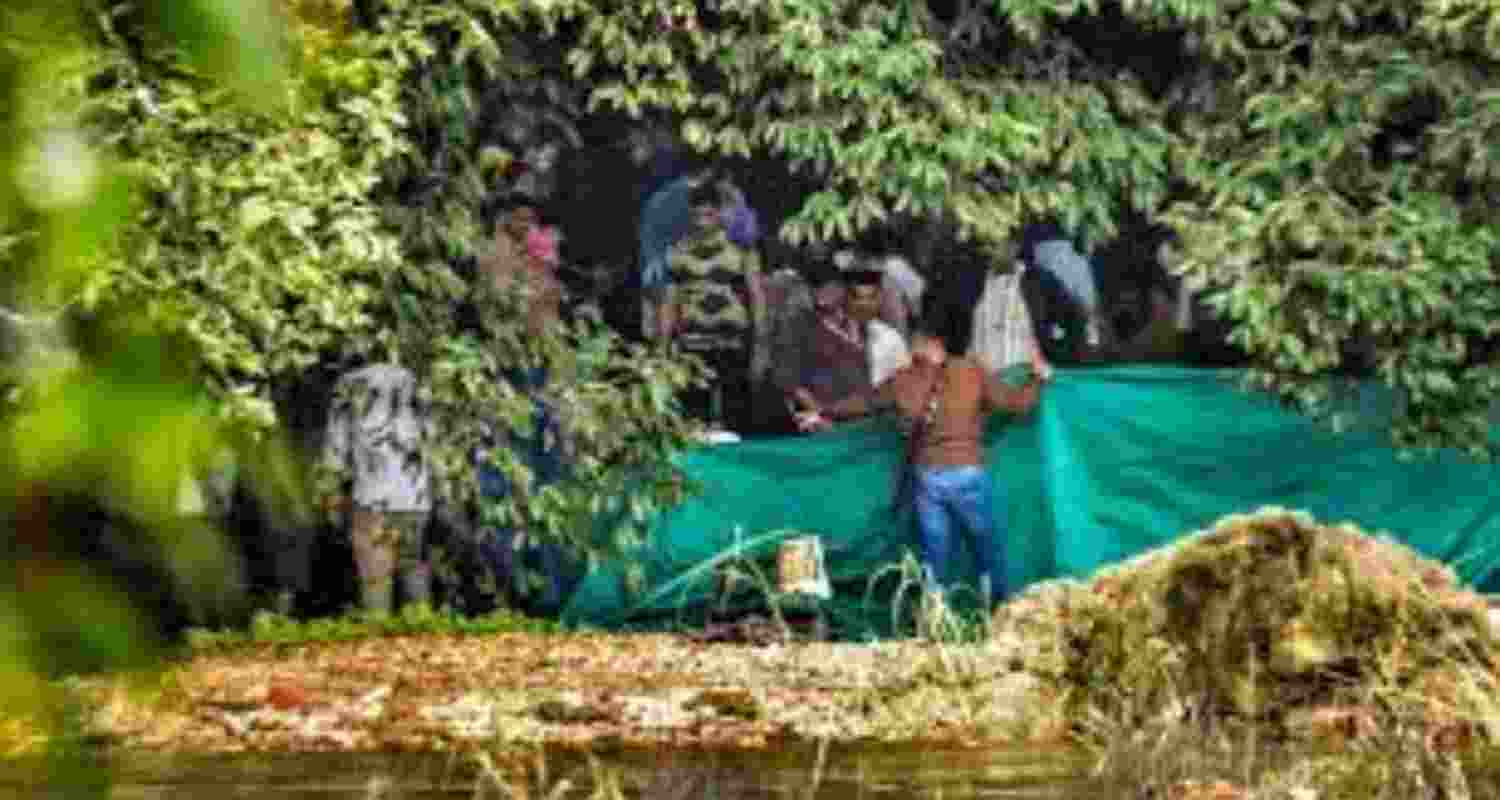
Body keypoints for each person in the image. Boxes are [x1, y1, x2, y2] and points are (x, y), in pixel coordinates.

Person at [814, 300, 1046, 609]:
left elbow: (864, 403)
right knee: (987, 552)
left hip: (928, 478)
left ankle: (935, 618)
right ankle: (999, 611)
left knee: (935, 557)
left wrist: (822, 412)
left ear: (925, 342)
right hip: (967, 472)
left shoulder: (902, 381)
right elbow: (1016, 404)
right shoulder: (970, 372)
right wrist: (1038, 378)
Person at [320, 362, 433, 614]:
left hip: (372, 498)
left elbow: (335, 452)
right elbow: (432, 436)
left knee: (375, 579)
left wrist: (332, 495)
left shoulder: (349, 384)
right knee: (413, 569)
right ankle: (426, 638)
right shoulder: (416, 379)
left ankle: (378, 641)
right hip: (415, 496)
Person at [659, 177, 765, 433]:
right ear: (691, 212)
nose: (703, 213)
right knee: (693, 417)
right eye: (698, 207)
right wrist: (662, 348)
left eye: (710, 208)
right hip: (692, 344)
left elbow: (757, 295)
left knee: (736, 415)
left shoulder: (742, 250)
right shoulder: (677, 252)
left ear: (719, 212)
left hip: (732, 343)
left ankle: (738, 469)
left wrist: (761, 343)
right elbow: (669, 301)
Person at [773, 262, 872, 434]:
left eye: (827, 285)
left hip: (863, 420)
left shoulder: (859, 324)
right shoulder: (797, 327)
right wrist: (820, 414)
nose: (820, 291)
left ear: (842, 288)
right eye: (815, 286)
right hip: (823, 425)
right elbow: (790, 383)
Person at [845, 267, 911, 387]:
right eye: (857, 297)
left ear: (880, 299)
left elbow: (904, 382)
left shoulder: (892, 339)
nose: (864, 304)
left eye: (871, 297)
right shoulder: (830, 334)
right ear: (846, 298)